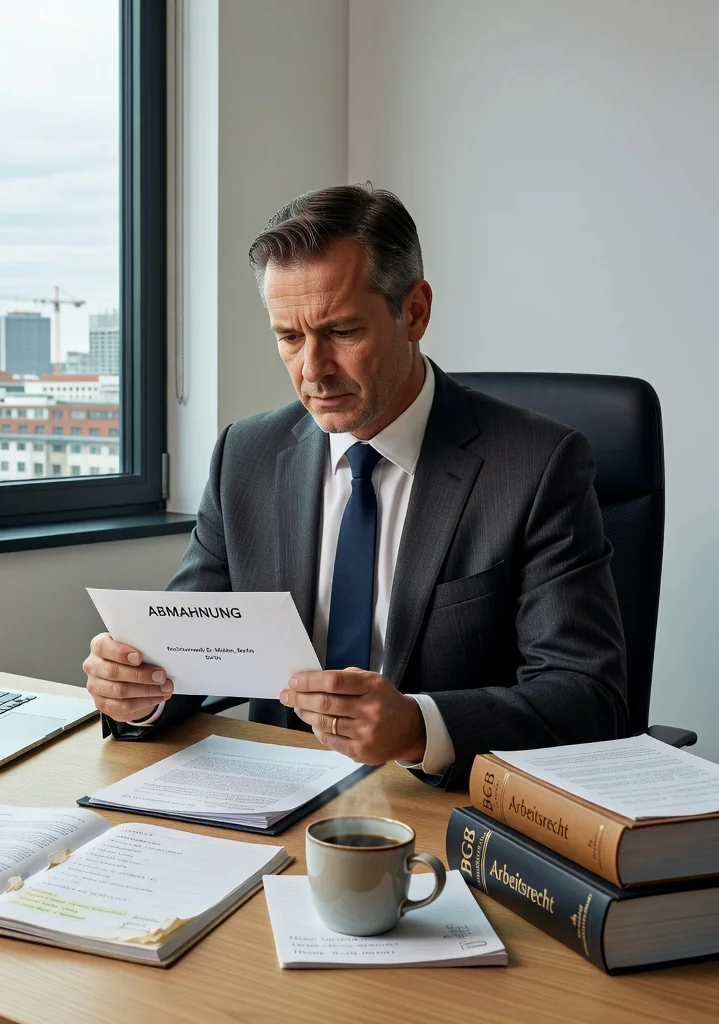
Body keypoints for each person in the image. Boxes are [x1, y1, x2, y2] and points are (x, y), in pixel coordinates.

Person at [84, 183, 627, 789]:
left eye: (341, 332)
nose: (312, 369)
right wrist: (139, 689)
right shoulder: (246, 455)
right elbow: (188, 650)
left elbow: (588, 697)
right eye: (289, 338)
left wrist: (419, 726)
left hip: (438, 809)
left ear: (415, 311)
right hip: (274, 800)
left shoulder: (536, 465)